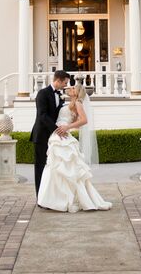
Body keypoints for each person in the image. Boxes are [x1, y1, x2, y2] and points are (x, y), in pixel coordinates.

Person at [36, 83, 112, 212]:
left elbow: (84, 120)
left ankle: (65, 199)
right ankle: (56, 199)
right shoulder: (70, 103)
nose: (69, 89)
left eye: (72, 88)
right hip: (58, 133)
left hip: (62, 134)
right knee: (56, 166)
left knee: (64, 167)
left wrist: (67, 127)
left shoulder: (78, 103)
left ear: (76, 92)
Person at [31, 70, 70, 197]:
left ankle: (50, 196)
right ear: (58, 80)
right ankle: (40, 197)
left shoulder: (60, 95)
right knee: (40, 166)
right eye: (65, 82)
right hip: (42, 135)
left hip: (54, 137)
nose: (66, 85)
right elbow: (42, 115)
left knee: (52, 167)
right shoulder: (42, 93)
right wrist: (56, 129)